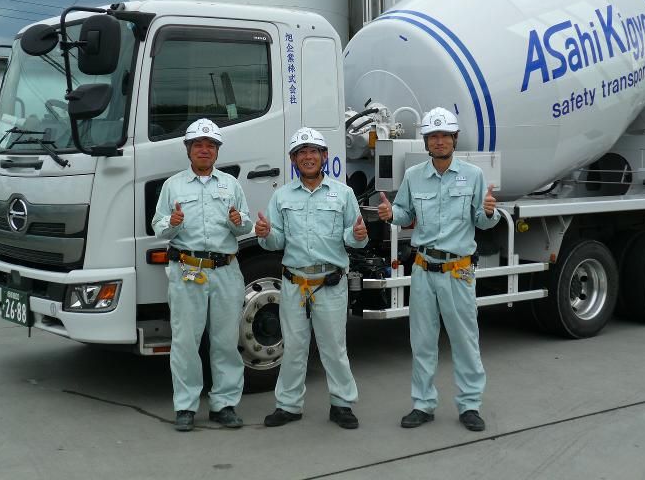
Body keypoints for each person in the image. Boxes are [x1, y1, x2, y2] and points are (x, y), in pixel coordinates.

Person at [377, 106, 499, 432]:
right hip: (423, 269)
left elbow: (482, 220)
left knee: (464, 340)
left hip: (458, 270)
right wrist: (391, 214)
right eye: (433, 136)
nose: (440, 141)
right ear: (426, 141)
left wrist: (489, 212)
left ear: (455, 139)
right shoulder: (414, 176)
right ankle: (423, 404)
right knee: (422, 341)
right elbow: (404, 213)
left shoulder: (473, 175)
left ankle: (470, 405)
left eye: (445, 135)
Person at [255, 127, 368, 429]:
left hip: (330, 283)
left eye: (313, 151)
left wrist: (358, 235)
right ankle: (288, 405)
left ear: (324, 156)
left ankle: (342, 404)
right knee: (293, 348)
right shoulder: (281, 196)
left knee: (334, 348)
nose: (307, 157)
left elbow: (355, 238)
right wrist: (265, 234)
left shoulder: (343, 194)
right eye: (301, 152)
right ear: (293, 159)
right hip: (295, 284)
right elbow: (276, 241)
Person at [151, 118, 253, 432]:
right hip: (187, 270)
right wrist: (173, 222)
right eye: (198, 144)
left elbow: (246, 226)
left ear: (217, 151)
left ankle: (224, 405)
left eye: (210, 145)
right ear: (188, 149)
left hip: (225, 271)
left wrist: (238, 220)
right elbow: (158, 227)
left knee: (225, 342)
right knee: (185, 342)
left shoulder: (231, 185)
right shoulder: (173, 185)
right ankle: (185, 407)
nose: (204, 150)